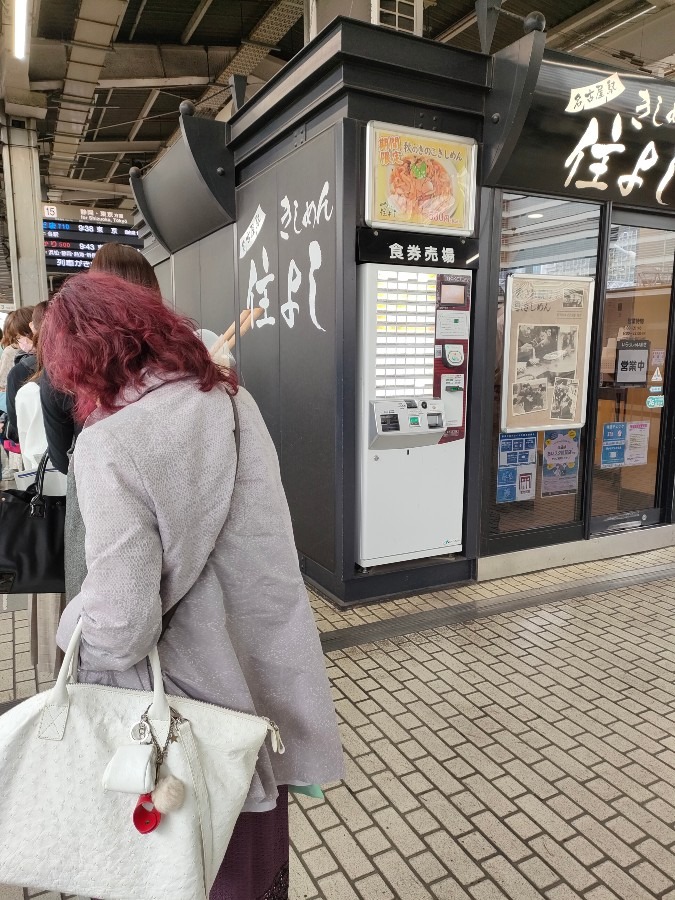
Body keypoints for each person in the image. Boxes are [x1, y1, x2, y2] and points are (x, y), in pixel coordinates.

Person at [42, 273, 343, 899]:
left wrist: (69, 629)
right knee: (259, 864)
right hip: (261, 683)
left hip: (182, 713)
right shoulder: (232, 401)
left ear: (82, 363)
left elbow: (122, 625)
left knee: (196, 870)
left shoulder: (106, 445)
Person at [5, 303, 47, 444]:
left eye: (20, 337)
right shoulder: (68, 359)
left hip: (37, 447)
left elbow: (16, 419)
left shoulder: (19, 371)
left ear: (32, 328)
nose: (20, 343)